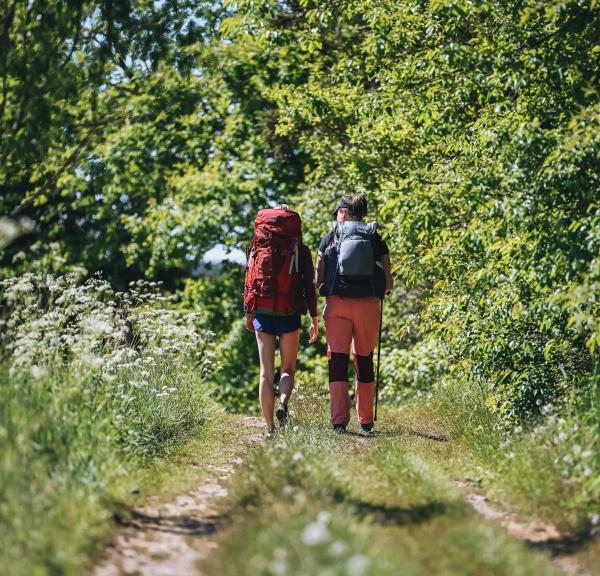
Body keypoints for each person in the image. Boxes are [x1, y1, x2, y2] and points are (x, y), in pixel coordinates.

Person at [315, 194, 393, 433]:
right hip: (368, 306)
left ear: (345, 213)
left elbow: (319, 277)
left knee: (337, 360)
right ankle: (366, 420)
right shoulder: (375, 238)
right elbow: (388, 282)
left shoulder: (330, 237)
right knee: (364, 359)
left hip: (337, 304)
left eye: (339, 210)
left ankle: (339, 421)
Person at [244, 204, 318, 439]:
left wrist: (249, 311)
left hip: (263, 310)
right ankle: (283, 404)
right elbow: (309, 285)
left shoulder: (256, 246)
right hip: (289, 311)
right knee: (288, 369)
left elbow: (248, 279)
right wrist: (314, 317)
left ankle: (270, 429)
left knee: (266, 373)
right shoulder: (300, 249)